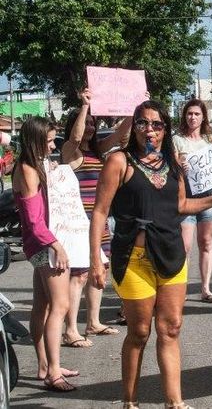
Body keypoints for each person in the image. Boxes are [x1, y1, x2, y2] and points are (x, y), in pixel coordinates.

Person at [89, 100, 212, 408]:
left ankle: (175, 402)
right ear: (134, 126)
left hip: (171, 256)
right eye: (143, 123)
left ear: (165, 130)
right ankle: (130, 401)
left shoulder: (173, 163)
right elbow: (100, 211)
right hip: (134, 259)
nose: (150, 130)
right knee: (140, 332)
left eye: (157, 125)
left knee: (170, 329)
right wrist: (96, 259)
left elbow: (183, 206)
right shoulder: (120, 161)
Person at [60, 89, 133, 348]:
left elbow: (120, 135)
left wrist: (133, 110)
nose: (90, 127)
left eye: (93, 122)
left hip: (99, 222)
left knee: (99, 271)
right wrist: (84, 106)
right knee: (78, 275)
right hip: (78, 224)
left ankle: (93, 322)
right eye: (87, 122)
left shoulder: (98, 151)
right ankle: (70, 329)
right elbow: (76, 136)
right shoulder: (70, 152)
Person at [13, 116, 78, 391]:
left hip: (40, 243)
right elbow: (33, 220)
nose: (52, 146)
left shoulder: (33, 166)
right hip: (43, 244)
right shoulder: (27, 170)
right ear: (35, 140)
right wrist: (56, 245)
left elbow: (74, 163)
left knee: (43, 305)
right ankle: (52, 372)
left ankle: (44, 365)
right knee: (60, 306)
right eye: (48, 140)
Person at [173, 99, 212, 303]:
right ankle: (178, 290)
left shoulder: (211, 140)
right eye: (189, 113)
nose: (192, 117)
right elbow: (171, 164)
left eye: (196, 114)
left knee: (206, 243)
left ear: (203, 117)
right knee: (184, 246)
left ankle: (205, 289)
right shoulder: (177, 139)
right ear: (185, 116)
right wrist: (179, 165)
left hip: (208, 197)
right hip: (185, 198)